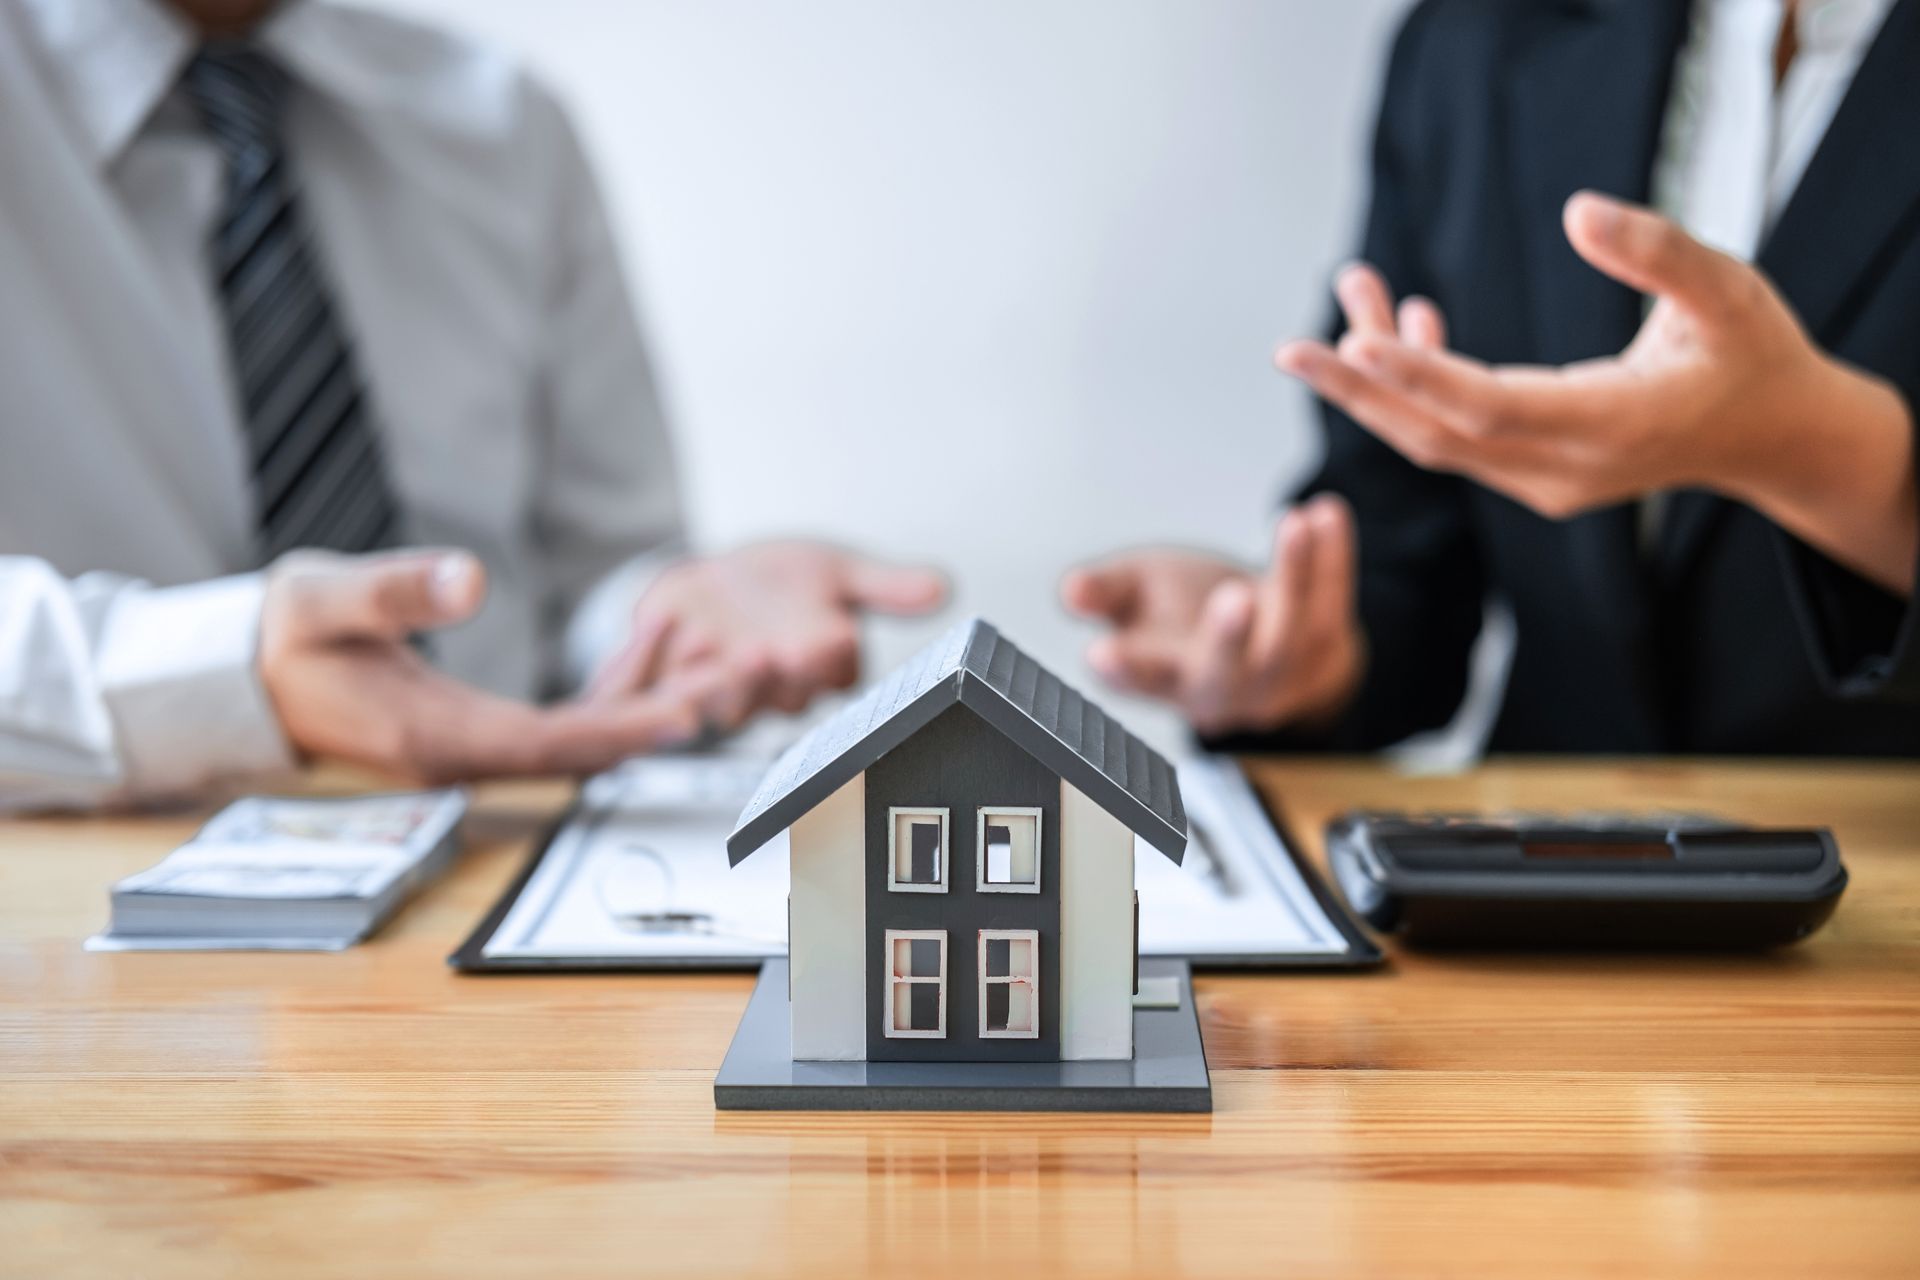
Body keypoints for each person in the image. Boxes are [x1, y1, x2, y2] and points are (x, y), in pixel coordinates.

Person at [0, 0, 946, 810]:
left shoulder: (499, 122)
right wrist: (226, 673)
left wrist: (666, 618)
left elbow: (584, 583)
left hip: (485, 879)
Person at [1065, 0, 1920, 755]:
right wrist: (1298, 649)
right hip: (1540, 888)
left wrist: (1833, 461)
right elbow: (1411, 558)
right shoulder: (1479, 38)